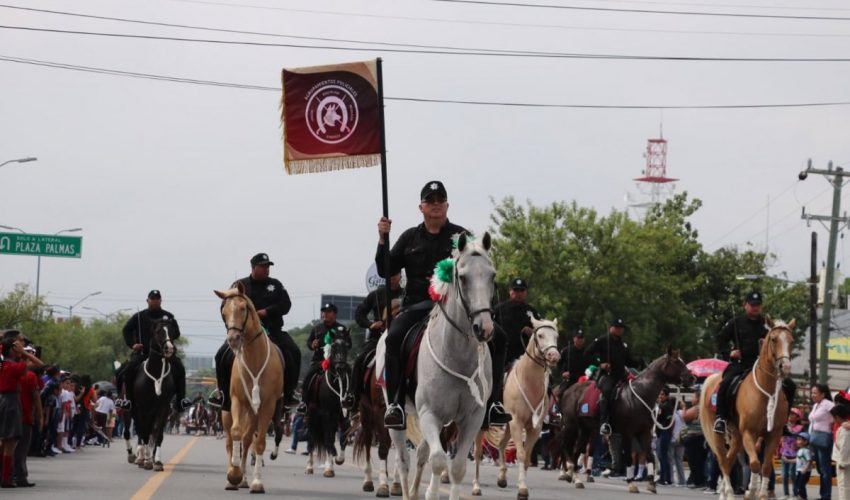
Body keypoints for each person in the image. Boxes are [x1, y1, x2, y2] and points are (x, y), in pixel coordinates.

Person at [377, 180, 510, 429]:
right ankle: (395, 404)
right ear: (421, 207)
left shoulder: (462, 237)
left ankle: (493, 403)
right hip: (418, 307)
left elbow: (478, 271)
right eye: (430, 201)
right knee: (393, 337)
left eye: (440, 201)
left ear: (447, 205)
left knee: (499, 338)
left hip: (457, 311)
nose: (436, 205)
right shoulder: (409, 237)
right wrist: (383, 239)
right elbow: (386, 270)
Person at [214, 253, 300, 410]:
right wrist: (233, 327)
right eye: (263, 266)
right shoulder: (239, 285)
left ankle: (288, 394)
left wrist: (266, 312)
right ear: (253, 267)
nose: (266, 269)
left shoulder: (276, 285)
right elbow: (225, 307)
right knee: (221, 356)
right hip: (244, 336)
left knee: (294, 351)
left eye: (268, 266)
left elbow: (286, 305)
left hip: (272, 331)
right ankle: (223, 395)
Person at [713, 291, 796, 434]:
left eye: (758, 305)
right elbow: (719, 340)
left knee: (790, 386)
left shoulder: (768, 326)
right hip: (741, 363)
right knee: (726, 383)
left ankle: (783, 421)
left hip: (763, 366)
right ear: (745, 305)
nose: (755, 308)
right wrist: (729, 353)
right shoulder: (735, 322)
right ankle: (721, 418)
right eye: (752, 305)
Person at [116, 290, 191, 412]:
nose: (155, 301)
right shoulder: (139, 316)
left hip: (164, 354)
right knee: (126, 370)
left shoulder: (169, 317)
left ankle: (181, 400)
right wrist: (133, 345)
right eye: (152, 299)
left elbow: (177, 332)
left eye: (157, 299)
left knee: (180, 368)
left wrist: (169, 340)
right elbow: (126, 330)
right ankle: (127, 400)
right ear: (148, 300)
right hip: (143, 353)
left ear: (161, 300)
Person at [351, 273, 402, 412]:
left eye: (395, 274)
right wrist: (370, 324)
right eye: (390, 273)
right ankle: (353, 397)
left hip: (400, 337)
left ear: (400, 276)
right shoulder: (375, 295)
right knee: (360, 360)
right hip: (377, 338)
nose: (392, 277)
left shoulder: (405, 294)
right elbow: (359, 313)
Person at [0, 330, 43, 488]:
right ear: (13, 349)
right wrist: (24, 353)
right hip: (11, 401)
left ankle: (5, 476)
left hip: (4, 400)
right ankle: (6, 478)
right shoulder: (13, 366)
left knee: (5, 441)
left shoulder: (3, 364)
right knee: (10, 442)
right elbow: (39, 364)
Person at [584, 317, 639, 436]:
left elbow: (629, 362)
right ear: (611, 328)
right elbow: (587, 354)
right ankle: (604, 422)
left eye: (621, 328)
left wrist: (639, 361)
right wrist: (600, 364)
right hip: (608, 375)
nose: (619, 330)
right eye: (617, 327)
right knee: (607, 391)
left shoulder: (623, 344)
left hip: (622, 375)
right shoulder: (601, 341)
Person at [296, 303, 352, 415]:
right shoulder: (317, 328)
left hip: (337, 361)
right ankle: (304, 403)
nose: (325, 314)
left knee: (350, 373)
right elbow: (309, 342)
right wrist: (312, 344)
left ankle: (350, 398)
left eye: (328, 312)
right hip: (319, 361)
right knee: (308, 377)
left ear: (334, 314)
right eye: (324, 312)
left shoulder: (341, 329)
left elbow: (349, 344)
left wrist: (342, 344)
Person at [494, 278, 540, 364]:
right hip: (501, 357)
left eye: (522, 290)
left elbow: (542, 334)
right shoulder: (498, 309)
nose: (518, 293)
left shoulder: (532, 312)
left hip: (525, 358)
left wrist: (533, 332)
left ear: (526, 292)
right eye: (515, 290)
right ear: (510, 291)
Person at [809, 383, 835, 500]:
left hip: (824, 438)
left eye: (815, 393)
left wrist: (832, 425)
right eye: (812, 392)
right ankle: (823, 494)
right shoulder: (816, 405)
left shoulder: (828, 404)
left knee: (825, 469)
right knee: (820, 469)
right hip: (815, 438)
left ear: (823, 394)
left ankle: (826, 496)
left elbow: (838, 416)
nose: (812, 395)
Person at [555, 329, 588, 396]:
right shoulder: (566, 350)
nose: (580, 340)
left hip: (585, 379)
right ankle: (557, 406)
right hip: (570, 379)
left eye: (581, 338)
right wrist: (563, 373)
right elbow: (559, 363)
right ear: (574, 338)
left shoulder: (588, 351)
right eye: (578, 338)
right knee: (560, 394)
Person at [795, 432, 814, 500]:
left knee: (801, 484)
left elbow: (809, 460)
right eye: (797, 439)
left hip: (804, 471)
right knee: (798, 484)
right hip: (800, 470)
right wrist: (787, 460)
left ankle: (803, 497)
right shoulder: (800, 450)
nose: (797, 441)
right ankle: (801, 496)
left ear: (805, 442)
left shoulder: (806, 451)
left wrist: (805, 469)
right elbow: (797, 460)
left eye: (799, 440)